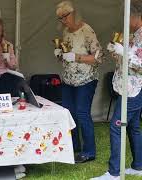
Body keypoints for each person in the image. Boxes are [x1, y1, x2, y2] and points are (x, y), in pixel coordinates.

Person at [92, 0, 142, 179]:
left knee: (116, 127)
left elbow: (140, 65)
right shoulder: (134, 33)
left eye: (127, 16)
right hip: (126, 86)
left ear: (136, 16)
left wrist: (124, 53)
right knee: (133, 127)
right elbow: (127, 62)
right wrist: (116, 53)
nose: (125, 20)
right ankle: (138, 166)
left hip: (134, 90)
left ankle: (114, 173)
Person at [54, 1, 103, 163]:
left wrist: (76, 57)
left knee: (82, 113)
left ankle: (89, 152)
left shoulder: (87, 31)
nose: (63, 21)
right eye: (60, 18)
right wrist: (61, 54)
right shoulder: (66, 32)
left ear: (73, 13)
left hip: (86, 80)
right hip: (69, 79)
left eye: (64, 17)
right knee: (69, 113)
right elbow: (67, 56)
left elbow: (98, 58)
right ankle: (73, 147)